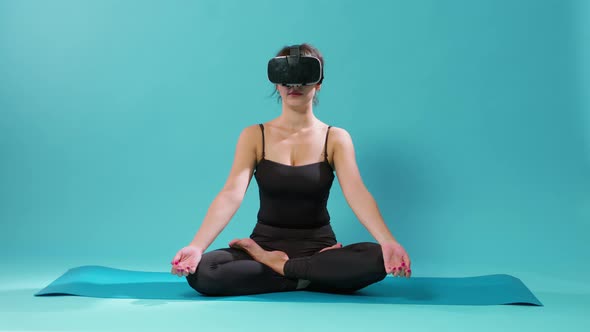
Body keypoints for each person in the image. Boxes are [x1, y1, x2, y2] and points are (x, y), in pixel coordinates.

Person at [170, 43, 411, 296]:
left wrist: (387, 241)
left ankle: (283, 268)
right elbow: (231, 194)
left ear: (318, 83)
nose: (294, 85)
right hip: (264, 245)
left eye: (304, 78)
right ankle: (310, 276)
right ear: (276, 82)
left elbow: (357, 193)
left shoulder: (336, 138)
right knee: (206, 271)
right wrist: (197, 246)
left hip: (319, 248)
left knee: (376, 258)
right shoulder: (254, 136)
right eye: (286, 78)